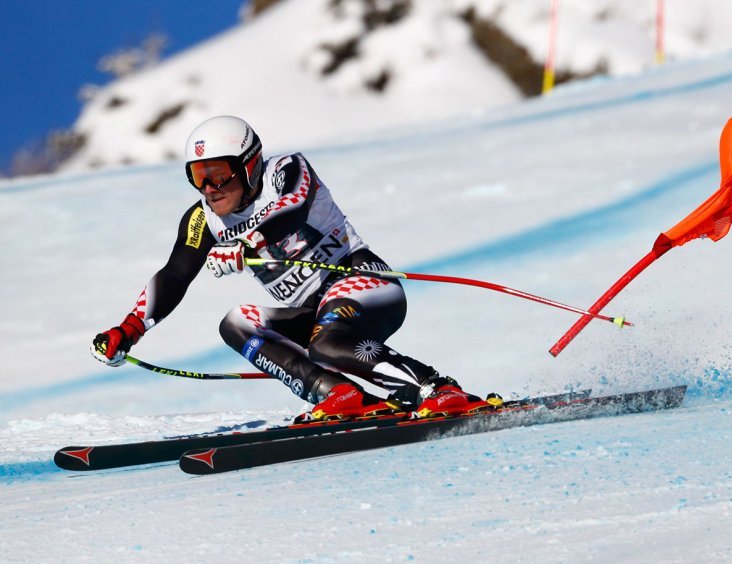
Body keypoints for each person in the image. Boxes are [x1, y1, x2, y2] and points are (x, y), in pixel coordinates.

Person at [91, 115, 498, 420]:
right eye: (198, 176)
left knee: (326, 342)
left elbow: (290, 210)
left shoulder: (286, 170)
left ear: (249, 164)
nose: (209, 188)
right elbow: (175, 275)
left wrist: (246, 244)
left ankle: (435, 387)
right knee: (236, 323)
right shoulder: (202, 219)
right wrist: (128, 329)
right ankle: (340, 395)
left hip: (362, 282)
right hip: (313, 313)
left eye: (218, 174)